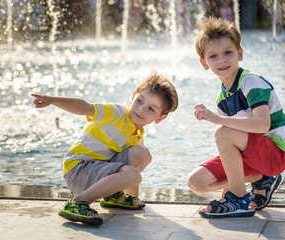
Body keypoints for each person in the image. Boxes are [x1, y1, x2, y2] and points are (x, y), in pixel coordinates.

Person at [31, 72, 178, 225]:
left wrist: (130, 198)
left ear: (160, 117)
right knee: (134, 174)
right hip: (79, 170)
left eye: (151, 109)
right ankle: (78, 203)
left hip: (98, 170)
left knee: (142, 154)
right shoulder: (116, 113)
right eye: (140, 100)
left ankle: (115, 197)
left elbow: (132, 171)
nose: (141, 109)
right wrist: (52, 100)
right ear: (133, 96)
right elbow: (84, 108)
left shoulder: (138, 133)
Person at [187, 17, 285, 218]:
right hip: (254, 155)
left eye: (228, 52)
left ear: (239, 53)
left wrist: (217, 119)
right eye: (213, 56)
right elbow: (232, 144)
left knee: (223, 132)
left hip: (276, 152)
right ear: (204, 63)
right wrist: (234, 178)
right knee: (196, 182)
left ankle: (239, 199)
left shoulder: (250, 82)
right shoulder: (222, 97)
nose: (221, 60)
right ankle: (262, 179)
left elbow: (262, 124)